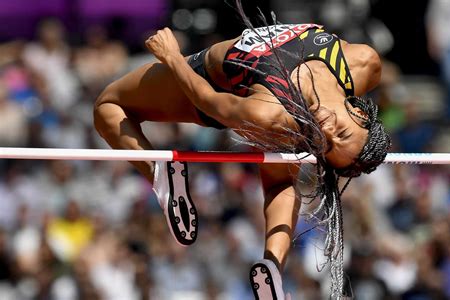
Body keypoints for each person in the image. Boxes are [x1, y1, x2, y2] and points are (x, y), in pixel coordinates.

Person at [94, 4, 391, 298]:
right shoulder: (364, 62)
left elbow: (209, 101)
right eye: (341, 133)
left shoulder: (272, 115)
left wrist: (172, 57)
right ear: (360, 114)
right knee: (279, 181)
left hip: (212, 82)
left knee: (108, 106)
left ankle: (162, 176)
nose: (327, 132)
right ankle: (272, 267)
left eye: (325, 146)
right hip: (268, 99)